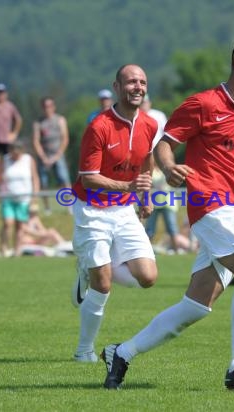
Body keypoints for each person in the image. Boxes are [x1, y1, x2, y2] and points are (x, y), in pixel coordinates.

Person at [100, 36, 234, 391]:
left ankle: (122, 353)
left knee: (196, 306)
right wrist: (171, 166)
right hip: (210, 203)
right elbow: (165, 144)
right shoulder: (203, 104)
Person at [70, 64, 158, 363]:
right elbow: (88, 177)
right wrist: (129, 185)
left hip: (123, 209)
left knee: (147, 277)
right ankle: (84, 351)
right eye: (131, 81)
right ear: (117, 87)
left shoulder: (149, 124)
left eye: (142, 82)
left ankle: (90, 269)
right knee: (103, 284)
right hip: (92, 209)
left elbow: (147, 161)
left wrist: (145, 196)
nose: (138, 87)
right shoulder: (99, 126)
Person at [0, 140, 39, 257]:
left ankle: (17, 250)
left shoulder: (28, 160)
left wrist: (34, 197)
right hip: (8, 197)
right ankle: (3, 248)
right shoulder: (5, 160)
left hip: (24, 198)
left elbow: (35, 178)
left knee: (20, 225)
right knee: (7, 223)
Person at [32, 96, 71, 214]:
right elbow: (35, 141)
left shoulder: (60, 120)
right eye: (45, 106)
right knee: (43, 182)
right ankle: (47, 207)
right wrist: (43, 157)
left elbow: (65, 139)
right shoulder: (38, 123)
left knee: (64, 179)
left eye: (49, 106)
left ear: (53, 107)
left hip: (58, 154)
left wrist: (58, 155)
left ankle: (69, 206)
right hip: (44, 155)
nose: (47, 108)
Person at [145, 164, 181, 254]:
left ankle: (176, 250)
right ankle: (146, 251)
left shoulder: (168, 167)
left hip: (168, 202)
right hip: (154, 202)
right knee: (150, 228)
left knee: (172, 227)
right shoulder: (149, 169)